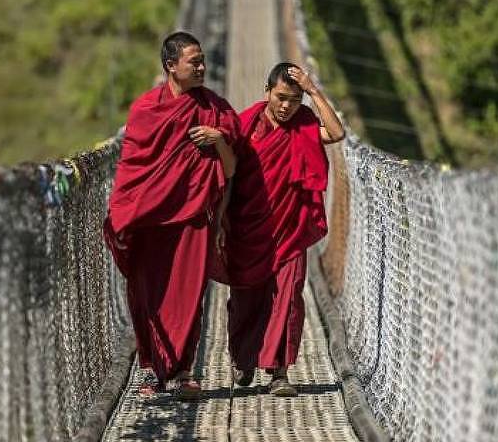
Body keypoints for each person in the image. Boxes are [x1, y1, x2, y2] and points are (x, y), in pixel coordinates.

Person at [104, 31, 239, 399]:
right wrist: (123, 212)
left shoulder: (215, 111)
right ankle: (151, 371)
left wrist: (219, 139)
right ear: (170, 66)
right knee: (149, 293)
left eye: (202, 61)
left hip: (193, 215)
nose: (202, 67)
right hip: (149, 220)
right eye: (193, 61)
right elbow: (133, 166)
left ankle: (180, 372)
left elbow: (229, 171)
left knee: (188, 295)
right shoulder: (146, 110)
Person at [220, 62, 344, 396]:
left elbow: (336, 133)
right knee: (246, 298)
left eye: (294, 99)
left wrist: (314, 90)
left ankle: (279, 373)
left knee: (288, 299)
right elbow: (227, 174)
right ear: (267, 91)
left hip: (290, 227)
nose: (287, 106)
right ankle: (243, 359)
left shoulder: (304, 124)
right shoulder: (245, 124)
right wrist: (220, 219)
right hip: (248, 227)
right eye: (281, 97)